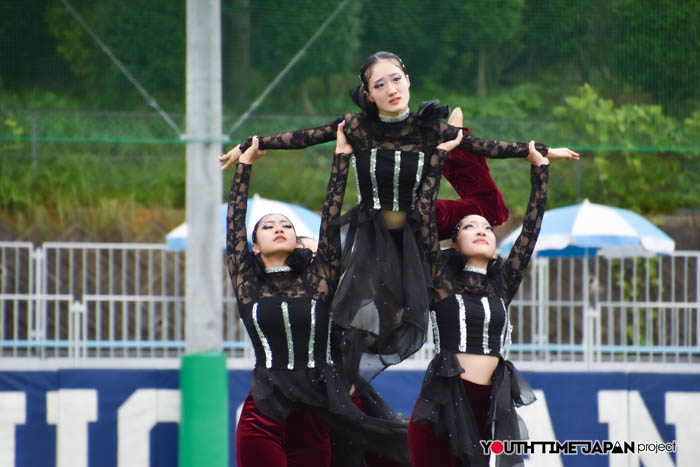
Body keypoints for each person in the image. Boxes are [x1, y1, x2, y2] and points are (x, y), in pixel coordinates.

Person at [220, 51, 578, 383]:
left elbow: (492, 147)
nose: (391, 89)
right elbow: (300, 138)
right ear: (368, 94)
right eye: (379, 85)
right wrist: (250, 145)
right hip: (375, 229)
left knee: (486, 211)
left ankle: (455, 141)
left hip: (420, 221)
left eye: (396, 79)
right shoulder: (356, 127)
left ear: (408, 80)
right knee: (374, 315)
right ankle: (344, 380)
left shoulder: (427, 129)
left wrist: (543, 151)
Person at [227, 123, 408, 467]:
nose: (279, 228)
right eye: (268, 226)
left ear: (297, 241)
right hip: (264, 413)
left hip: (316, 414)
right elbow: (234, 222)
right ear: (254, 246)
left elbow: (330, 218)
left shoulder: (317, 281)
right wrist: (245, 166)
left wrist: (341, 158)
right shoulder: (247, 281)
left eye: (287, 226)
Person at [408, 132, 552, 466]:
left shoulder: (503, 284)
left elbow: (530, 232)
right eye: (470, 226)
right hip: (441, 408)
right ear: (454, 243)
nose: (481, 230)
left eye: (487, 227)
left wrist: (540, 170)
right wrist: (438, 158)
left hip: (490, 405)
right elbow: (424, 218)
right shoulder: (442, 281)